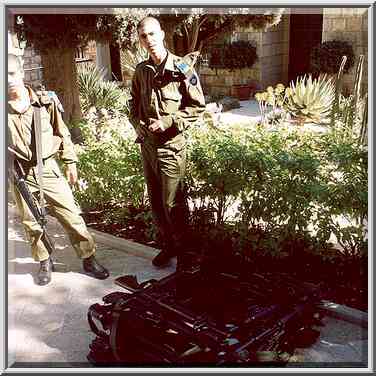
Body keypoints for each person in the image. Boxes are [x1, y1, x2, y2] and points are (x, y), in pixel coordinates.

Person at [8, 53, 109, 285]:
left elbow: (61, 132)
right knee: (31, 222)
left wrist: (70, 162)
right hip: (19, 173)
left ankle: (88, 257)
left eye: (13, 74)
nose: (9, 80)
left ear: (22, 73)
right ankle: (44, 261)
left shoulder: (45, 100)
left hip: (48, 168)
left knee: (70, 214)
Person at [129, 17, 205, 268]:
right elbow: (133, 104)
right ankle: (169, 246)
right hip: (148, 147)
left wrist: (169, 122)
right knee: (156, 202)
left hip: (171, 147)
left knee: (174, 203)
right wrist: (137, 123)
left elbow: (197, 107)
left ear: (162, 34)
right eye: (143, 36)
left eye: (152, 34)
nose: (148, 40)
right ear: (140, 40)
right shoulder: (141, 70)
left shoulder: (182, 68)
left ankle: (186, 254)